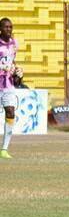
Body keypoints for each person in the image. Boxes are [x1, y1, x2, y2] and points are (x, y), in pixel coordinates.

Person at [0, 18, 23, 160]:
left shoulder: (14, 44)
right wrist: (2, 67)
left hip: (7, 84)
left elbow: (12, 61)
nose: (9, 29)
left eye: (10, 27)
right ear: (0, 29)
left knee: (10, 112)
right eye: (6, 27)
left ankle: (4, 149)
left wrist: (16, 70)